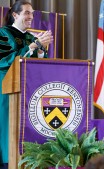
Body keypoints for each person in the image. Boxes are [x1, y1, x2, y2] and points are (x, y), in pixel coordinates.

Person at [0, 1, 53, 168]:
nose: (31, 16)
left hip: (29, 89)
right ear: (15, 15)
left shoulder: (31, 36)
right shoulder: (4, 33)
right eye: (27, 13)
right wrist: (32, 46)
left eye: (32, 13)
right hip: (6, 89)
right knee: (7, 126)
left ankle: (26, 160)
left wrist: (40, 51)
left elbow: (38, 65)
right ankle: (6, 160)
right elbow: (3, 60)